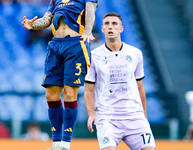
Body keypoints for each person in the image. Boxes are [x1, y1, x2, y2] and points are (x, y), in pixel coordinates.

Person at [22, 0, 98, 150]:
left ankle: (65, 143)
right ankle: (56, 143)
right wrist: (33, 25)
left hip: (76, 44)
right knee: (51, 95)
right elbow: (47, 19)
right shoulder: (55, 0)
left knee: (70, 93)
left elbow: (90, 12)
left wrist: (88, 30)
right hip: (55, 45)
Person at [84, 12, 156, 150]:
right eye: (107, 24)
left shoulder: (135, 54)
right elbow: (88, 91)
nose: (110, 27)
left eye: (114, 24)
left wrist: (144, 116)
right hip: (107, 117)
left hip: (134, 115)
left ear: (121, 29)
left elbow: (140, 88)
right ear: (102, 29)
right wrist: (91, 113)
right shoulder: (93, 56)